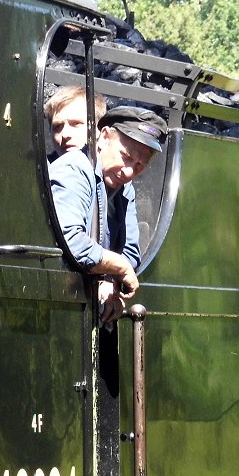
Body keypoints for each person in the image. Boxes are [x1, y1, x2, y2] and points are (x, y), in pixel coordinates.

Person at [49, 105, 167, 324]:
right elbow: (71, 242)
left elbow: (131, 250)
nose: (130, 171)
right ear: (103, 138)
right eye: (126, 156)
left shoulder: (125, 186)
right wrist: (119, 268)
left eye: (140, 165)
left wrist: (110, 281)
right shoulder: (73, 168)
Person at [43, 85, 107, 158]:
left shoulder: (117, 167)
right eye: (58, 126)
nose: (65, 134)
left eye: (76, 124)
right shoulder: (41, 168)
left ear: (101, 131)